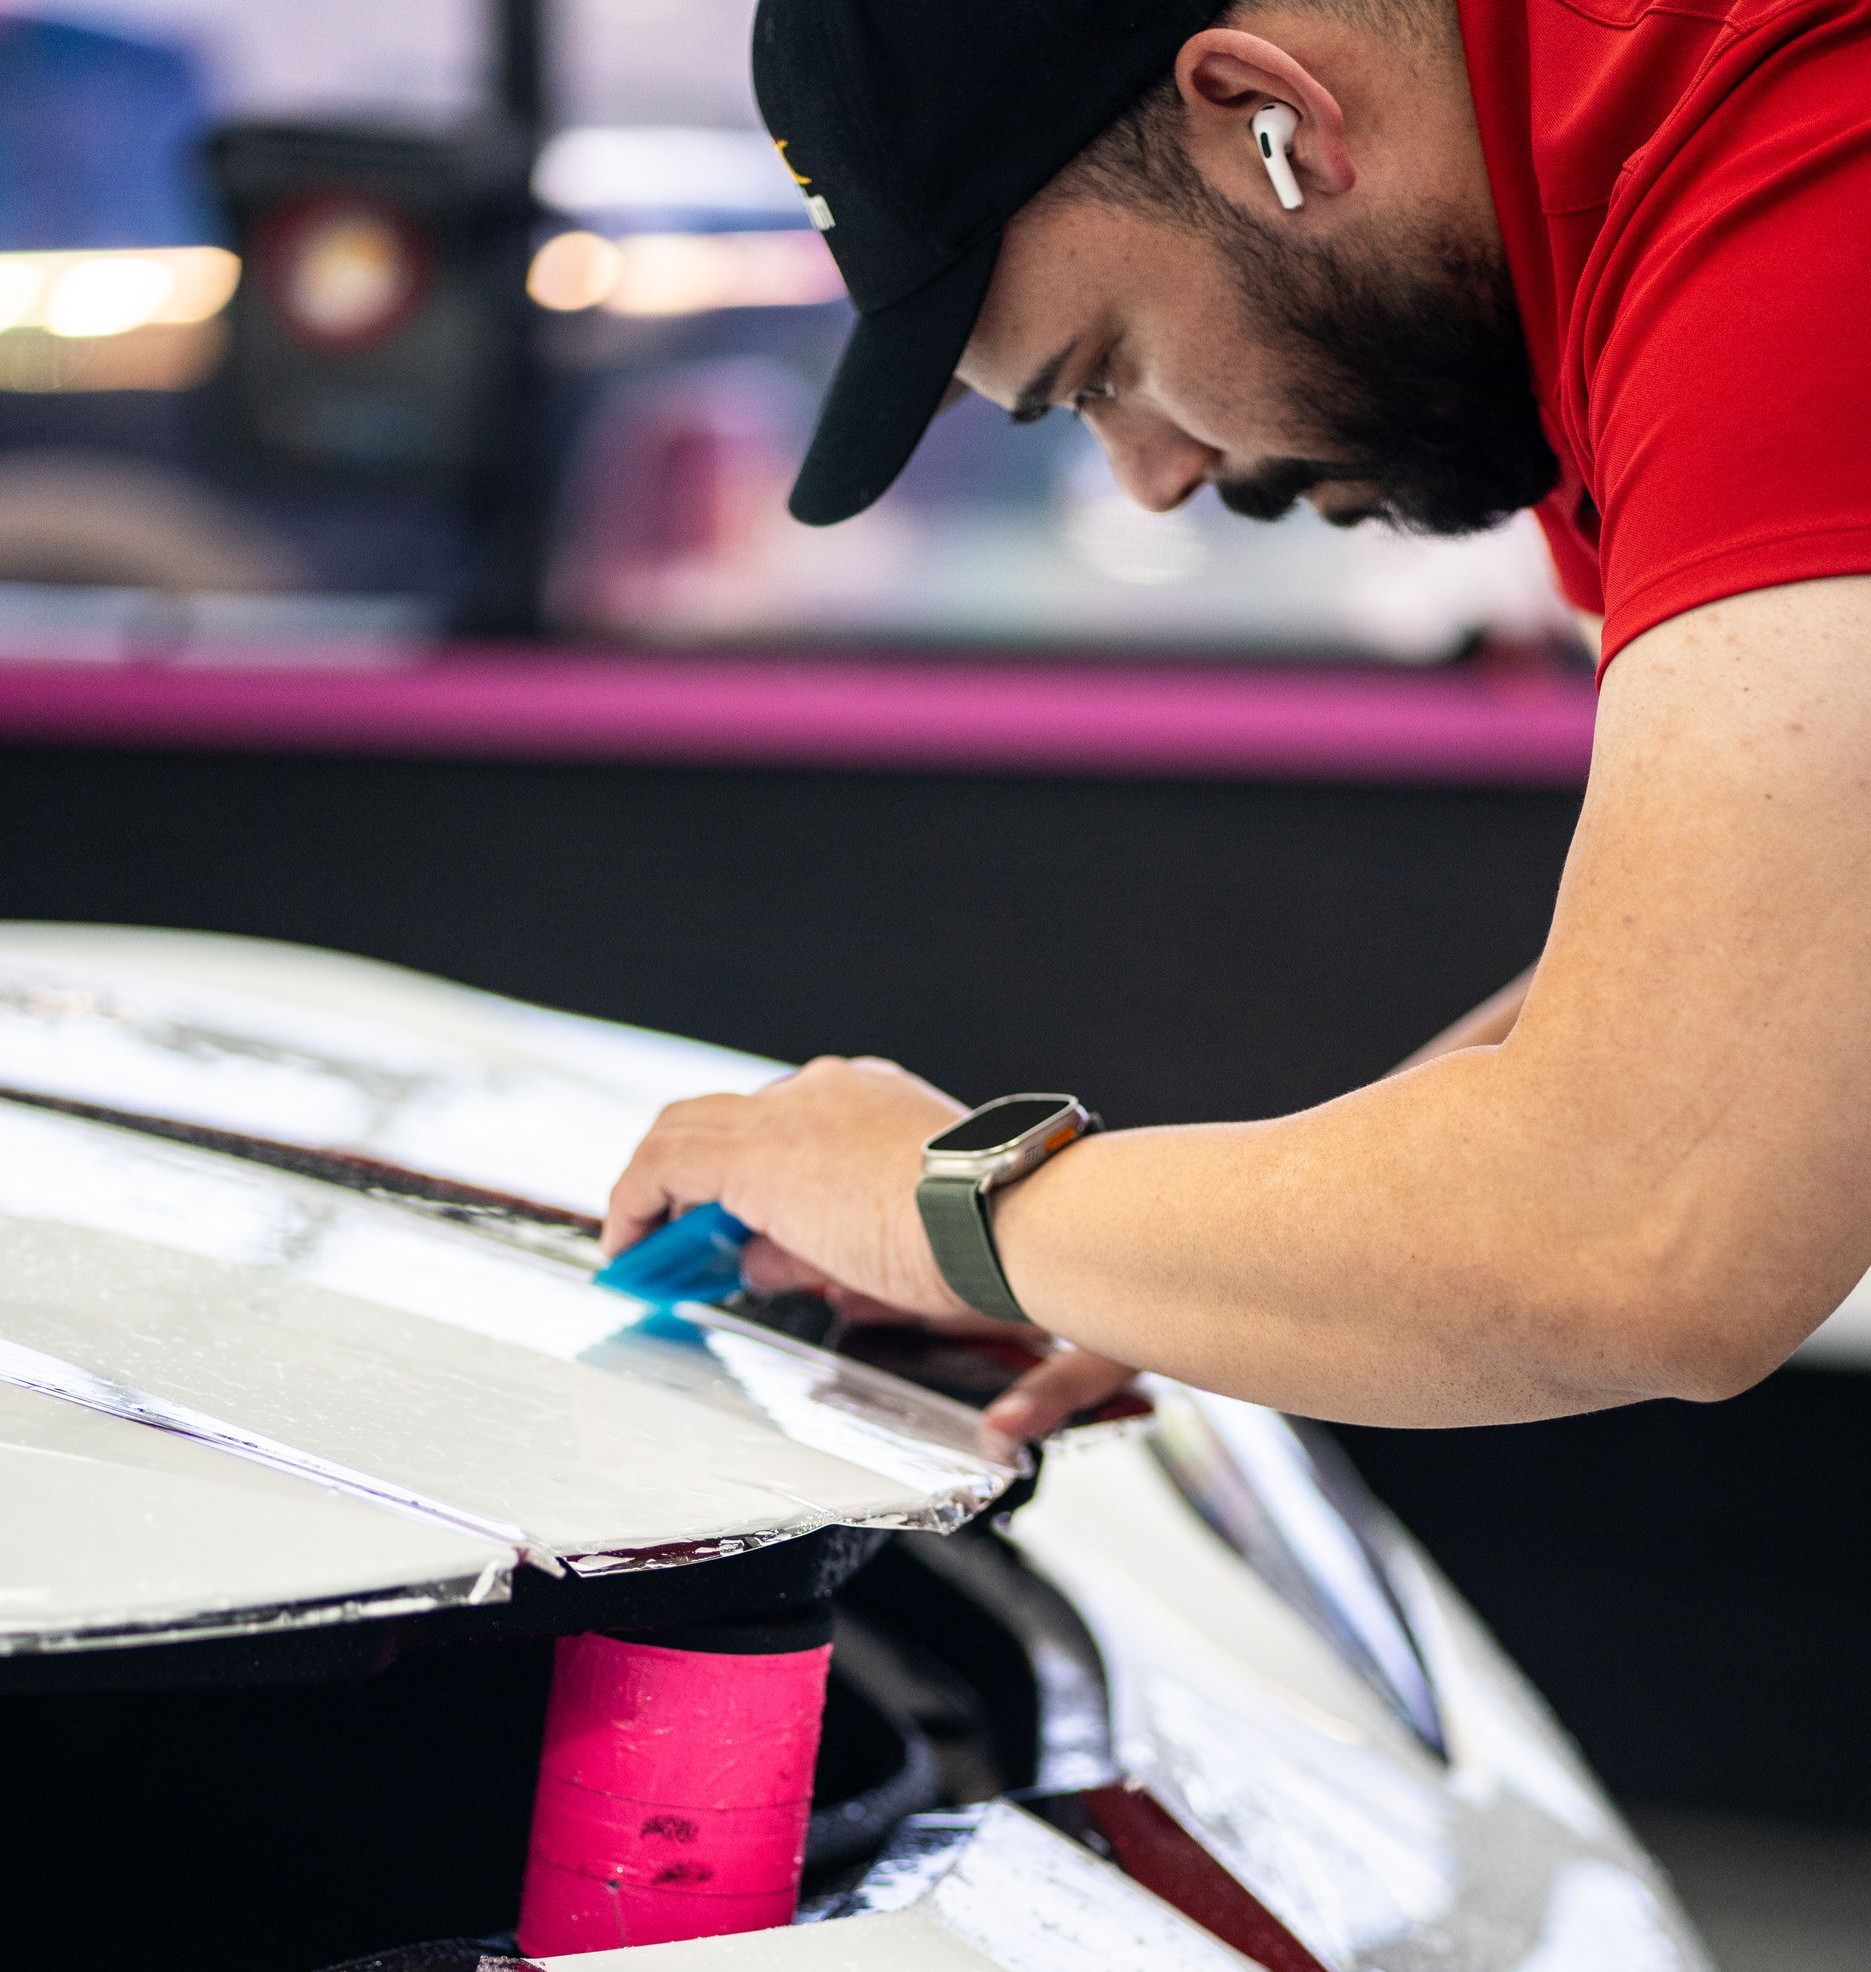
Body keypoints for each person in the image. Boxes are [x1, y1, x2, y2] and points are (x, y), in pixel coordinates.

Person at [606, 0, 1871, 1442]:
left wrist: (952, 1207)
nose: (1151, 480)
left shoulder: (1797, 157)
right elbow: (1765, 982)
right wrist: (1128, 1263)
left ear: (1270, 122)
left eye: (1103, 373)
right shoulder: (1569, 267)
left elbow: (1642, 1225)